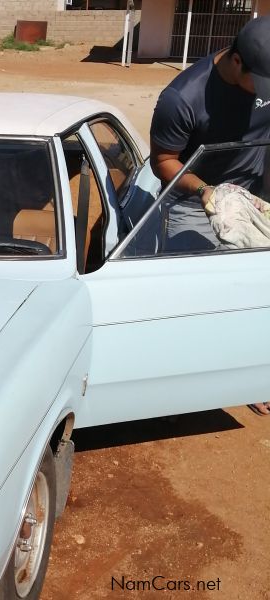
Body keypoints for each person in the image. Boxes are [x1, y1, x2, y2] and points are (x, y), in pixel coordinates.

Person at [149, 15, 270, 416]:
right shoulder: (183, 98)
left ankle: (253, 373)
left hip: (253, 196)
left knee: (256, 293)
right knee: (195, 296)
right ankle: (188, 380)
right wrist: (206, 192)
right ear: (236, 61)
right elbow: (163, 161)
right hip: (193, 200)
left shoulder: (263, 76)